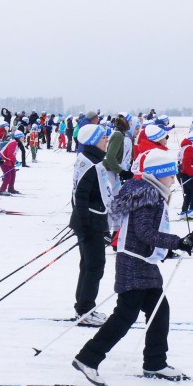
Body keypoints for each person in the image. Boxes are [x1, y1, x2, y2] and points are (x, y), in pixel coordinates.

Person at [73, 149, 193, 385]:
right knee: (124, 316)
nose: (174, 180)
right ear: (159, 174)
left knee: (160, 310)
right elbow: (144, 233)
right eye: (171, 176)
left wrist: (176, 244)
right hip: (133, 263)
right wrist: (177, 242)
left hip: (142, 263)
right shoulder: (147, 196)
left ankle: (155, 363)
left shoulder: (149, 192)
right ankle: (88, 358)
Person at [70, 124, 112, 326]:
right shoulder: (91, 163)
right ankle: (86, 310)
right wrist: (86, 225)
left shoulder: (88, 159)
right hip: (90, 222)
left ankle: (83, 307)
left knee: (88, 265)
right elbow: (81, 196)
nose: (107, 141)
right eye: (104, 138)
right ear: (94, 140)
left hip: (89, 221)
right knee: (94, 267)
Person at [177, 132, 193, 218]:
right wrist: (191, 174)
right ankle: (192, 211)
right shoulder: (189, 148)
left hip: (182, 173)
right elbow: (186, 162)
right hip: (186, 173)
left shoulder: (185, 147)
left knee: (188, 193)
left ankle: (184, 212)